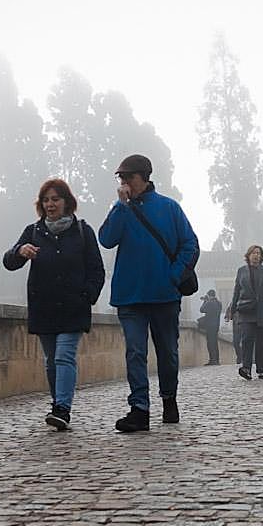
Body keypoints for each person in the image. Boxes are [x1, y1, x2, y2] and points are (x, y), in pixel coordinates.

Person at [98, 154, 199, 433]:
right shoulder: (121, 209)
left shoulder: (169, 208)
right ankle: (139, 408)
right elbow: (106, 239)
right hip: (130, 295)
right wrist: (121, 207)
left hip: (164, 295)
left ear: (144, 177)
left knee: (167, 352)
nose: (124, 182)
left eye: (128, 177)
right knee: (135, 352)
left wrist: (173, 275)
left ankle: (169, 399)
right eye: (121, 178)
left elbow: (190, 244)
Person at [4, 177, 105, 430]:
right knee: (51, 360)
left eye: (55, 199)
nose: (50, 204)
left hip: (73, 306)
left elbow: (97, 269)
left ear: (67, 202)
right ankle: (57, 402)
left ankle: (63, 408)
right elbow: (9, 262)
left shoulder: (83, 231)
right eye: (46, 200)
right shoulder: (34, 231)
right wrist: (19, 252)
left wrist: (88, 295)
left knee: (63, 357)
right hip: (44, 306)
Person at [225, 245, 263, 380]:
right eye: (253, 253)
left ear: (261, 256)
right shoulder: (241, 271)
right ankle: (246, 368)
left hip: (262, 311)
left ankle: (261, 369)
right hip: (246, 310)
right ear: (248, 255)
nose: (256, 255)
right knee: (246, 340)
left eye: (258, 253)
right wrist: (232, 310)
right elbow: (237, 290)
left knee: (261, 342)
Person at [198, 289, 223, 365]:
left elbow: (201, 310)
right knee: (215, 343)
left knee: (210, 343)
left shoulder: (209, 303)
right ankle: (216, 360)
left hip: (209, 326)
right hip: (216, 325)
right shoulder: (219, 303)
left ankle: (212, 360)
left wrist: (205, 301)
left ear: (209, 295)